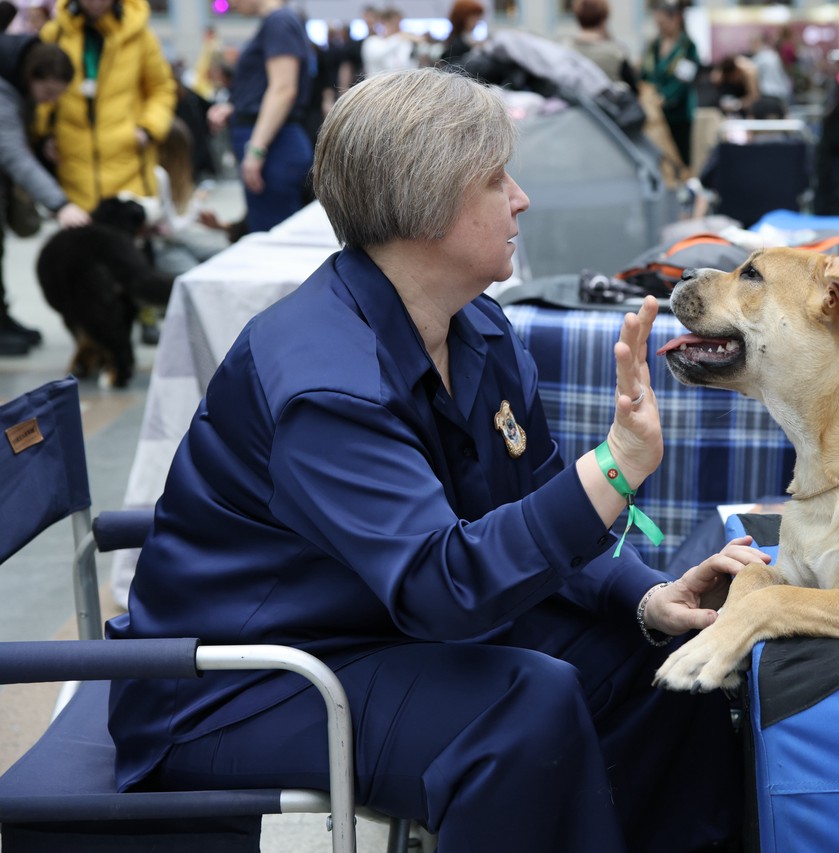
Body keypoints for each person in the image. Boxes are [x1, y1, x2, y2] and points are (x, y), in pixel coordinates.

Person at [105, 67, 766, 853]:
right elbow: (444, 587)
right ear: (426, 205)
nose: (520, 197)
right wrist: (617, 465)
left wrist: (647, 597)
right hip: (240, 682)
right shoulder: (324, 381)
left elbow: (533, 509)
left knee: (669, 666)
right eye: (496, 179)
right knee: (520, 708)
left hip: (369, 627)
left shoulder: (476, 328)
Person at [36, 0, 176, 211]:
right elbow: (41, 94)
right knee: (81, 238)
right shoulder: (54, 34)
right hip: (73, 167)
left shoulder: (140, 35)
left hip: (128, 166)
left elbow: (161, 89)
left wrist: (148, 129)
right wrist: (44, 134)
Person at [0, 34, 87, 356]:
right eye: (48, 92)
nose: (49, 101)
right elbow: (12, 154)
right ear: (31, 76)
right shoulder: (3, 92)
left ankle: (3, 318)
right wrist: (60, 204)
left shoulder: (16, 79)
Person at [206, 0, 313, 234]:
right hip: (273, 142)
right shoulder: (277, 22)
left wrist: (256, 150)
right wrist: (236, 107)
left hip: (275, 146)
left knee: (274, 241)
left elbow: (284, 89)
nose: (230, 3)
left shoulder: (279, 22)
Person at [641, 0, 700, 169]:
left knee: (680, 157)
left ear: (676, 20)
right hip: (654, 113)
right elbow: (645, 74)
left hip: (678, 113)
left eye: (663, 23)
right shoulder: (653, 46)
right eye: (657, 23)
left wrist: (665, 97)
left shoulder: (688, 47)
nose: (660, 27)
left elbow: (684, 79)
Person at [565, 0, 637, 93]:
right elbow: (633, 89)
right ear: (604, 17)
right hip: (610, 105)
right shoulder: (616, 52)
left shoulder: (566, 50)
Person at [439, 0, 484, 66]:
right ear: (462, 18)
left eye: (478, 17)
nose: (477, 21)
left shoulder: (471, 40)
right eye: (474, 17)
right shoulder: (455, 44)